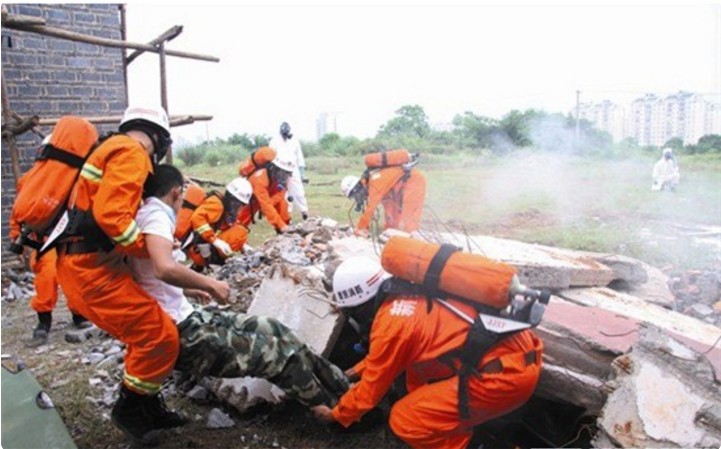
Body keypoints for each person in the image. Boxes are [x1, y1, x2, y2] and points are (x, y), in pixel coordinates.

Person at [131, 164, 349, 411]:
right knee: (278, 354)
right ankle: (335, 411)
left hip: (186, 316)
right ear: (174, 192)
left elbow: (149, 276)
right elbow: (164, 268)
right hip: (178, 330)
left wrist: (189, 290)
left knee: (277, 329)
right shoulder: (156, 216)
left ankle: (341, 385)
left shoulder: (147, 215)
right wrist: (210, 284)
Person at [312, 256, 543, 449]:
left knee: (403, 420)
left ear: (361, 305)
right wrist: (352, 371)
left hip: (504, 378)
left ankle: (474, 443)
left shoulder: (391, 325)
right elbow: (388, 356)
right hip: (520, 355)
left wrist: (336, 415)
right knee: (415, 380)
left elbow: (371, 390)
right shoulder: (407, 293)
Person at [55, 105, 185, 445]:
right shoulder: (132, 152)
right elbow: (113, 216)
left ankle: (149, 405)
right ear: (158, 137)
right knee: (160, 336)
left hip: (88, 266)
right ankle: (131, 411)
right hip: (92, 272)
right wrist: (151, 249)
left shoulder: (110, 149)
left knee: (146, 334)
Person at [340, 162, 426, 236]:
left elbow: (370, 208)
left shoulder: (374, 183)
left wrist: (360, 228)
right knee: (392, 216)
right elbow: (389, 208)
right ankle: (395, 237)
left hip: (414, 181)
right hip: (400, 187)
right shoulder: (372, 186)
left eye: (355, 195)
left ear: (357, 188)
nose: (357, 198)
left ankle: (414, 244)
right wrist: (388, 230)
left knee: (409, 217)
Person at [185, 177, 251, 271]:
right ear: (229, 197)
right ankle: (208, 264)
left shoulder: (225, 208)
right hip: (199, 250)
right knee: (240, 232)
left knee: (241, 231)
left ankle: (205, 264)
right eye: (235, 203)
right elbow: (197, 218)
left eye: (240, 204)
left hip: (203, 249)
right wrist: (214, 240)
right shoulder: (217, 204)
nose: (236, 207)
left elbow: (229, 227)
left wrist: (244, 245)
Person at [237, 155, 294, 234]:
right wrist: (281, 225)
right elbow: (265, 205)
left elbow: (280, 194)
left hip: (268, 196)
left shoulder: (282, 178)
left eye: (288, 173)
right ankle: (232, 239)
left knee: (282, 204)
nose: (286, 176)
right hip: (251, 199)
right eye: (284, 172)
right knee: (240, 222)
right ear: (275, 169)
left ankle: (283, 232)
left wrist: (271, 202)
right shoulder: (260, 179)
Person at [269, 122, 309, 220]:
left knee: (298, 190)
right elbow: (270, 156)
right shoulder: (274, 141)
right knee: (283, 192)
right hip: (280, 169)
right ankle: (287, 213)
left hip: (293, 168)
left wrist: (302, 173)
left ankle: (304, 211)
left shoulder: (294, 140)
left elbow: (299, 156)